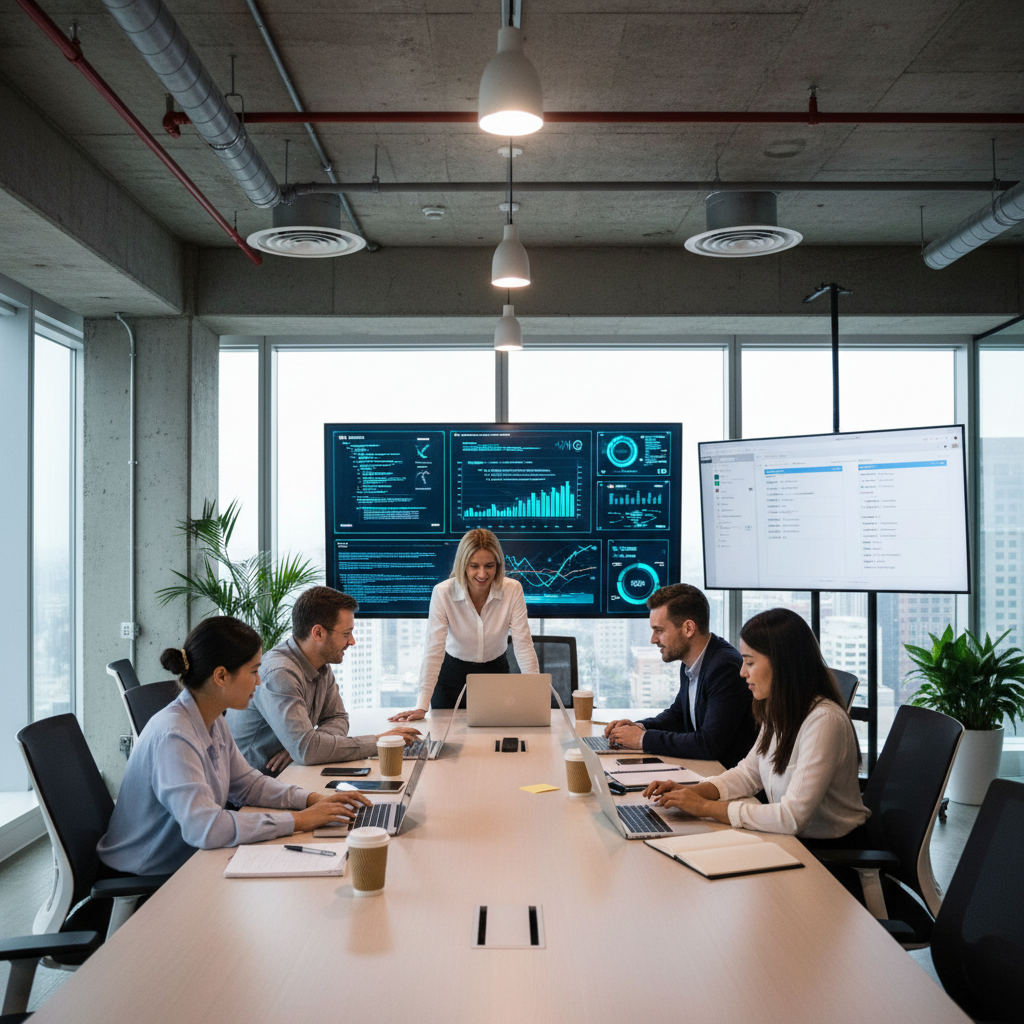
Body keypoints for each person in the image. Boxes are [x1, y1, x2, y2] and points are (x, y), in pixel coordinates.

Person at [97, 616, 371, 877]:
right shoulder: (174, 735)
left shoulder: (212, 719)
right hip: (150, 870)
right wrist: (300, 820)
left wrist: (312, 800)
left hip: (189, 859)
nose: (259, 681)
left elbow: (248, 785)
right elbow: (205, 829)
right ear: (220, 676)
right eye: (253, 671)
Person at [643, 607, 870, 841]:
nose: (742, 672)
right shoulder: (778, 709)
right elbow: (748, 775)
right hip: (790, 840)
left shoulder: (824, 721)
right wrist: (691, 792)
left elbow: (792, 817)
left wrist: (704, 807)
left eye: (750, 663)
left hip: (831, 855)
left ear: (782, 665)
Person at [228, 587, 420, 772]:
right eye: (346, 634)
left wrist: (309, 745)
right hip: (256, 789)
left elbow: (337, 718)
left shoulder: (321, 665)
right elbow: (307, 751)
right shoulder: (280, 672)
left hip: (292, 774)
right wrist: (377, 742)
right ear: (318, 633)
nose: (352, 641)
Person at [389, 529, 538, 721]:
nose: (482, 574)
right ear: (462, 565)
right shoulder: (443, 593)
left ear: (498, 565)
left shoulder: (512, 590)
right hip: (451, 678)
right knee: (446, 741)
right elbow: (433, 650)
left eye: (489, 566)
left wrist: (536, 697)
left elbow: (523, 645)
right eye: (474, 566)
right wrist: (421, 705)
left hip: (495, 675)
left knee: (494, 741)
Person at [604, 584, 756, 768]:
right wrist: (640, 728)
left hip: (729, 779)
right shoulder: (692, 661)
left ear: (688, 628)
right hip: (707, 771)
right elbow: (678, 715)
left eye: (659, 630)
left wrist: (642, 740)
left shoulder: (724, 667)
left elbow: (710, 744)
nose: (653, 639)